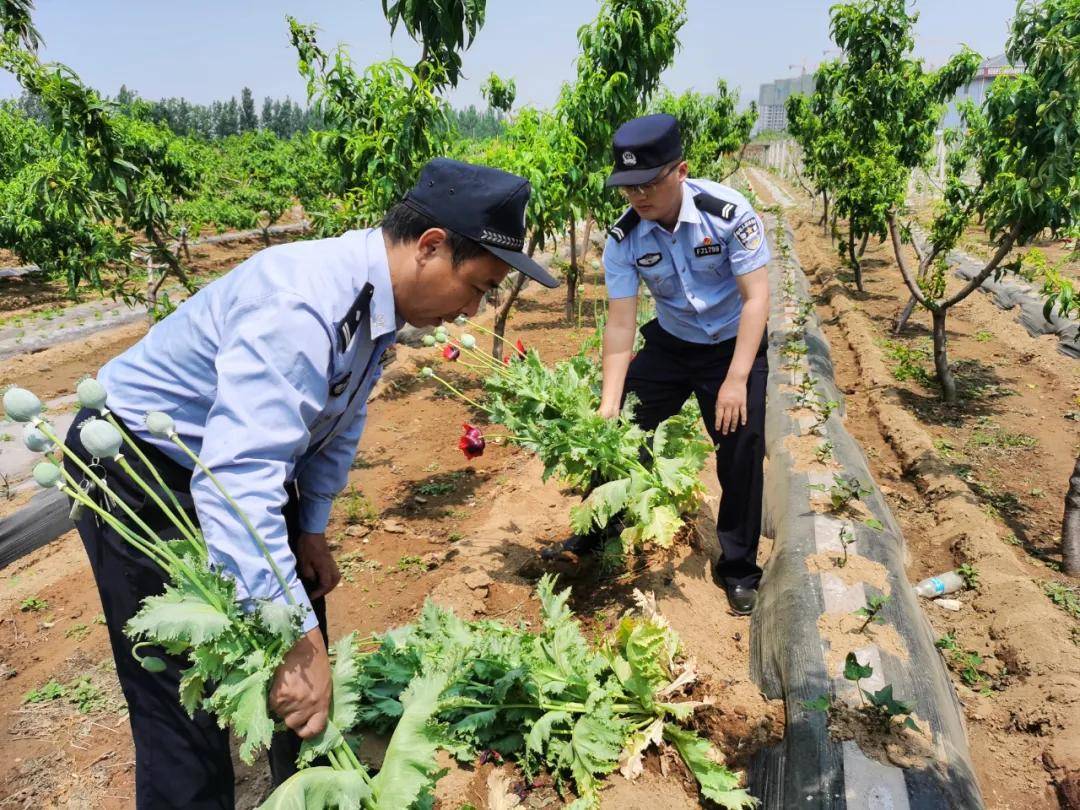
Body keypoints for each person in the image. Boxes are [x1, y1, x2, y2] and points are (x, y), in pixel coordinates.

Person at [64, 158, 558, 809]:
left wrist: (313, 530)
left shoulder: (377, 305)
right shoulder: (304, 305)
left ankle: (305, 795)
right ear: (431, 247)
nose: (476, 307)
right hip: (135, 464)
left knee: (300, 631)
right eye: (479, 287)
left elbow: (339, 415)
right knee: (185, 687)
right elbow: (236, 483)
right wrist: (295, 641)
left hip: (225, 458)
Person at [543, 113, 771, 616]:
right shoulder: (624, 238)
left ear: (681, 171)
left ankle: (738, 569)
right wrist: (607, 404)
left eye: (649, 183)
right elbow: (621, 324)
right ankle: (597, 531)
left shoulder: (729, 214)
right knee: (619, 426)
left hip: (733, 344)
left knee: (741, 446)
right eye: (628, 187)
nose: (638, 197)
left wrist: (736, 379)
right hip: (672, 342)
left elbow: (756, 300)